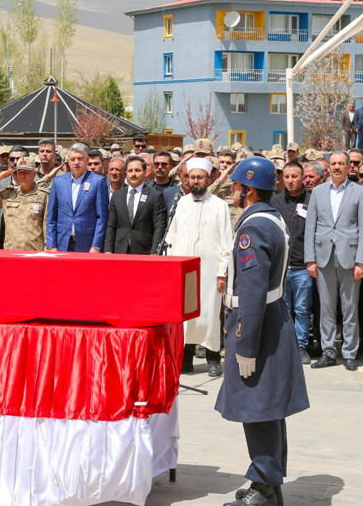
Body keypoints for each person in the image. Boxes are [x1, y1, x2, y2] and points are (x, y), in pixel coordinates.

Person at [216, 157, 309, 506]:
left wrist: (245, 344)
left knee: (258, 409)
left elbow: (253, 291)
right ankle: (267, 480)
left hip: (259, 325)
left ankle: (264, 486)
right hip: (272, 318)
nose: (234, 191)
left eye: (237, 186)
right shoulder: (272, 218)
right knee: (267, 408)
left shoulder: (253, 227)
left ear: (249, 188)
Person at [305, 151, 363, 371]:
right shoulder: (318, 192)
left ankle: (350, 352)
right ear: (328, 167)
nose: (337, 167)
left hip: (350, 258)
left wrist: (361, 262)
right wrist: (310, 259)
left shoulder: (360, 192)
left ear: (347, 167)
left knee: (350, 307)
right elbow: (310, 228)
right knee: (325, 308)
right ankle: (328, 351)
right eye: (333, 164)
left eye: (341, 164)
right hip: (323, 257)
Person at [165, 157, 231, 376]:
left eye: (200, 177)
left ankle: (213, 358)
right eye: (192, 177)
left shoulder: (220, 206)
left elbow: (226, 241)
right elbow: (172, 237)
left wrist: (222, 272)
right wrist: (171, 266)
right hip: (183, 270)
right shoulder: (180, 204)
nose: (195, 181)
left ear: (208, 179)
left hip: (210, 271)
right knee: (186, 315)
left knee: (211, 314)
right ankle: (186, 359)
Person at [270, 161, 313, 364]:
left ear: (303, 178)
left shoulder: (312, 201)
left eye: (294, 176)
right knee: (283, 308)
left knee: (303, 309)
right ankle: (283, 346)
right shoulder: (275, 201)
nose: (290, 180)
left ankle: (301, 345)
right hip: (281, 267)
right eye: (286, 176)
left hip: (304, 266)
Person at [45, 143, 108, 253]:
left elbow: (102, 218)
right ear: (68, 161)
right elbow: (51, 217)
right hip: (62, 244)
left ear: (87, 160)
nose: (76, 162)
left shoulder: (98, 182)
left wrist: (96, 246)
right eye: (73, 159)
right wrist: (51, 245)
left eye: (80, 159)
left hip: (87, 245)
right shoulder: (58, 182)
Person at [0, 156, 50, 250]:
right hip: (11, 251)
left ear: (35, 174)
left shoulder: (44, 195)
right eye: (19, 172)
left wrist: (47, 250)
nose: (22, 176)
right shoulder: (8, 194)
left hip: (35, 252)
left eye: (26, 172)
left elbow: (47, 226)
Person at [104, 155, 166, 254]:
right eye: (130, 171)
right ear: (126, 173)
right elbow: (111, 225)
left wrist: (155, 252)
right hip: (120, 250)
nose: (133, 174)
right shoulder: (117, 196)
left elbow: (159, 227)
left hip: (144, 251)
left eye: (137, 170)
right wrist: (107, 250)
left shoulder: (155, 196)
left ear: (145, 172)